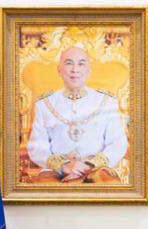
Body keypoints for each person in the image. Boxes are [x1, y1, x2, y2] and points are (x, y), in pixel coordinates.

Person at [26, 46, 128, 184]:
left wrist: (90, 165)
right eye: (69, 63)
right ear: (59, 70)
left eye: (81, 64)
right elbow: (37, 146)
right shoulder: (44, 104)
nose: (75, 69)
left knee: (109, 185)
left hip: (96, 170)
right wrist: (63, 166)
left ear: (89, 70)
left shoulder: (107, 101)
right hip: (55, 172)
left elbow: (117, 143)